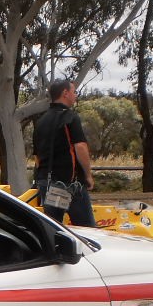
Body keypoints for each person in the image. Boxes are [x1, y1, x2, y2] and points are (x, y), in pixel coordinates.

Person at [33, 79, 96, 227]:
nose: (76, 95)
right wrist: (88, 175)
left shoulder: (41, 121)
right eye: (74, 92)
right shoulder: (70, 117)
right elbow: (80, 147)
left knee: (55, 228)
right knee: (87, 229)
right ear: (65, 93)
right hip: (69, 184)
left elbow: (37, 156)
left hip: (47, 183)